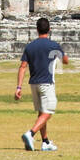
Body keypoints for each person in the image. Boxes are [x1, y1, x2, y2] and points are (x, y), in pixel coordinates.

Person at [15, 17, 70, 151]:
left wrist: (19, 87)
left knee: (41, 112)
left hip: (33, 83)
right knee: (49, 111)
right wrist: (64, 54)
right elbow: (66, 61)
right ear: (49, 29)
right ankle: (30, 133)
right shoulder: (53, 45)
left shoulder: (30, 46)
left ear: (37, 30)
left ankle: (45, 142)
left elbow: (22, 66)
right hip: (46, 83)